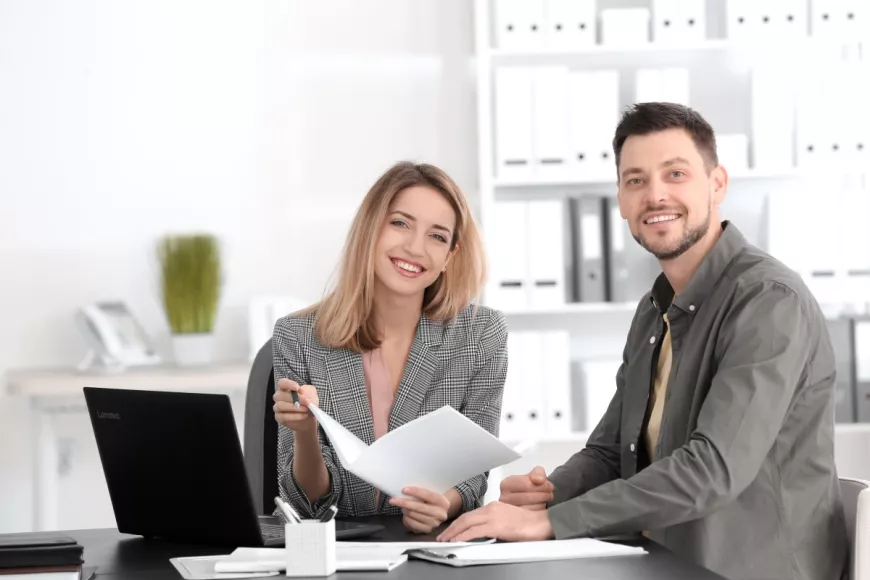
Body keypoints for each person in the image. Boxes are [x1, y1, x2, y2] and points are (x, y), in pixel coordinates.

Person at [438, 103, 849, 580]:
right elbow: (613, 452)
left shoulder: (768, 302)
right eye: (635, 180)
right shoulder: (655, 308)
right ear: (620, 198)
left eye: (675, 174)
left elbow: (711, 470)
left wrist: (550, 523)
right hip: (664, 561)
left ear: (717, 184)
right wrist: (550, 492)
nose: (655, 195)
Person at [271, 161, 508, 534]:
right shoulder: (298, 336)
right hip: (338, 552)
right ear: (371, 229)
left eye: (437, 236)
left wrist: (442, 503)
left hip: (434, 546)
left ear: (450, 255)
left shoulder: (480, 335)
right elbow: (305, 502)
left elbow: (474, 474)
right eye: (400, 223)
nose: (415, 248)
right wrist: (304, 433)